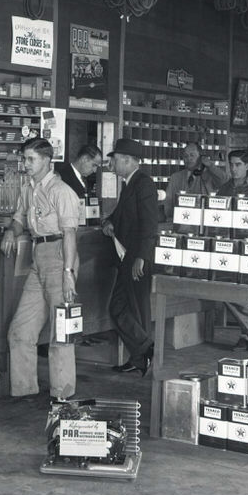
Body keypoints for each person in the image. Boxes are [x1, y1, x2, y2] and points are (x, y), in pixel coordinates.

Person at [0, 137, 81, 405]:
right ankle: (24, 391)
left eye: (31, 159)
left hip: (60, 257)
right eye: (24, 159)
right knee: (20, 330)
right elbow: (19, 219)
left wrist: (68, 272)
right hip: (38, 258)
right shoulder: (28, 189)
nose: (26, 164)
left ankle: (63, 393)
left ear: (47, 160)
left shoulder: (62, 191)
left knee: (61, 332)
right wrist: (12, 232)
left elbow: (70, 233)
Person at [102, 136, 160, 376]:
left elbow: (149, 224)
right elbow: (121, 214)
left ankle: (144, 354)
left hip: (137, 258)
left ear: (127, 160)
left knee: (136, 308)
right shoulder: (129, 183)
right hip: (128, 257)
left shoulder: (143, 183)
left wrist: (142, 258)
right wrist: (108, 222)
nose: (111, 164)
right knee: (119, 307)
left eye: (114, 159)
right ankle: (142, 353)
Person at [215, 148, 248, 351]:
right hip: (227, 245)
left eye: (238, 165)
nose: (234, 169)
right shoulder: (224, 188)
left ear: (247, 167)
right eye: (231, 165)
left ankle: (247, 334)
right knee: (226, 288)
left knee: (245, 290)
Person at [163, 139, 227, 221]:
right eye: (185, 156)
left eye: (192, 155)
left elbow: (225, 181)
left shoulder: (210, 176)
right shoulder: (175, 177)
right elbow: (168, 202)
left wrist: (210, 166)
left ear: (201, 157)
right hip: (180, 220)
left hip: (203, 221)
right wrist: (171, 217)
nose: (188, 158)